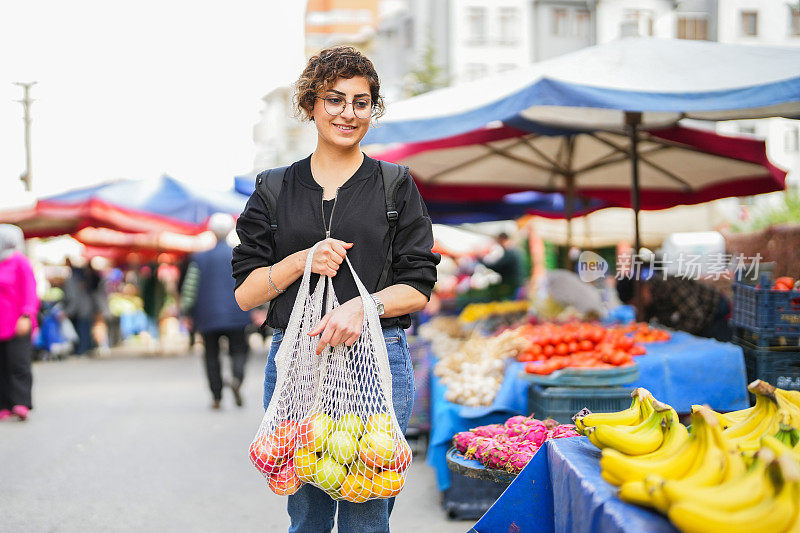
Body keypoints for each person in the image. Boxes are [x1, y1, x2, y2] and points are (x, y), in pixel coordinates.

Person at [231, 46, 438, 532]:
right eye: (335, 99)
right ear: (310, 105)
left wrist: (362, 308)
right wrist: (300, 260)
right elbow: (247, 293)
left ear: (372, 110)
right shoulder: (274, 188)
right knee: (307, 513)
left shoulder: (395, 184)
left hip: (378, 359)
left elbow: (419, 285)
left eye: (361, 102)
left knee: (368, 512)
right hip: (297, 360)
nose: (348, 113)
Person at [181, 213, 251, 409]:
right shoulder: (239, 254)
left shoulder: (199, 258)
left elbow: (190, 288)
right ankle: (236, 378)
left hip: (206, 316)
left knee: (211, 355)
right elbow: (249, 281)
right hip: (237, 313)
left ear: (211, 231)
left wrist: (186, 311)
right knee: (239, 350)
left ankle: (217, 396)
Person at [617, 275, 732, 341]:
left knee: (713, 345)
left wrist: (674, 335)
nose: (639, 306)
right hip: (696, 316)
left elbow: (695, 317)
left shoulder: (668, 286)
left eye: (639, 301)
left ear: (644, 288)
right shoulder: (647, 302)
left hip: (714, 309)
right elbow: (643, 325)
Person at [0, 224, 39, 421]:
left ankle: (21, 402)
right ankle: (3, 404)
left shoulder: (20, 262)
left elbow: (30, 291)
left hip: (17, 323)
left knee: (18, 363)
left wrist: (26, 315)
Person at [61, 257, 97, 355]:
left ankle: (82, 350)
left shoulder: (72, 280)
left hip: (82, 309)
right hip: (85, 308)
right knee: (84, 329)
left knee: (83, 329)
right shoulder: (77, 278)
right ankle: (85, 349)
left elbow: (73, 299)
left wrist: (67, 312)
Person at [481, 232, 523, 300]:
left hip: (512, 284)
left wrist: (482, 261)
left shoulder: (510, 251)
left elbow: (499, 266)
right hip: (516, 283)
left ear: (502, 239)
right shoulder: (515, 250)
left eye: (498, 240)